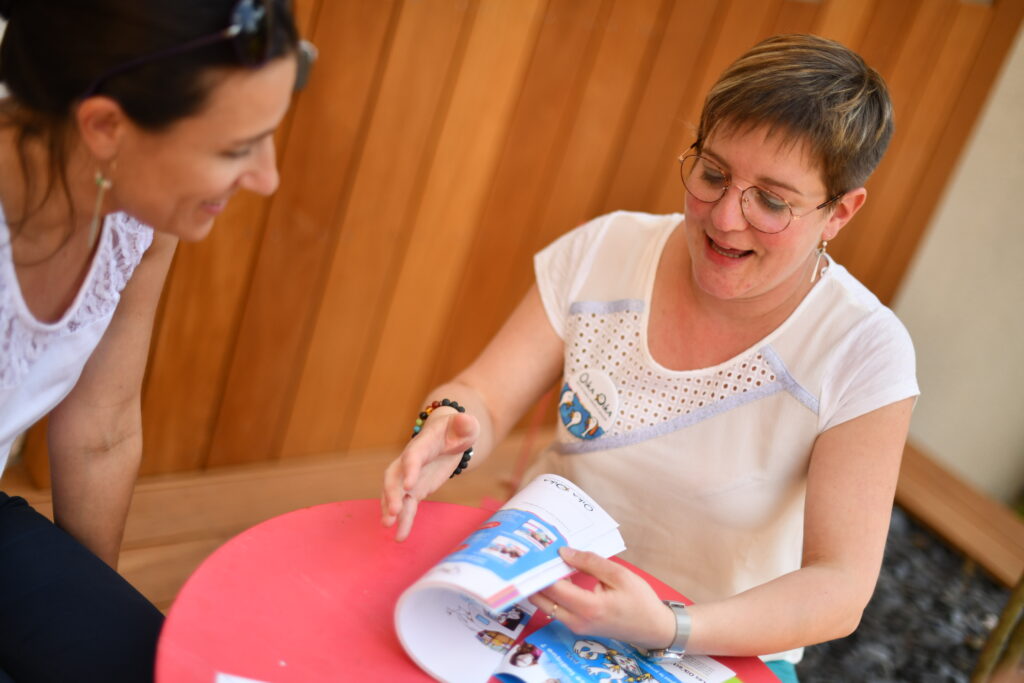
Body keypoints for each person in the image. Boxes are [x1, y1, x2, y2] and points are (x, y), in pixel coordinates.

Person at [382, 34, 917, 681]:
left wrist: (669, 625)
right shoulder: (608, 246)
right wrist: (445, 424)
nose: (725, 217)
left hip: (716, 646)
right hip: (543, 592)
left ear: (840, 212)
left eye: (772, 201)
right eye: (714, 173)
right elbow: (484, 395)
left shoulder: (864, 349)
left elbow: (839, 586)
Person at [0, 1, 311, 680]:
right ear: (106, 126)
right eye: (235, 148)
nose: (268, 177)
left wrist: (85, 617)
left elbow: (100, 429)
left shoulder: (138, 212)